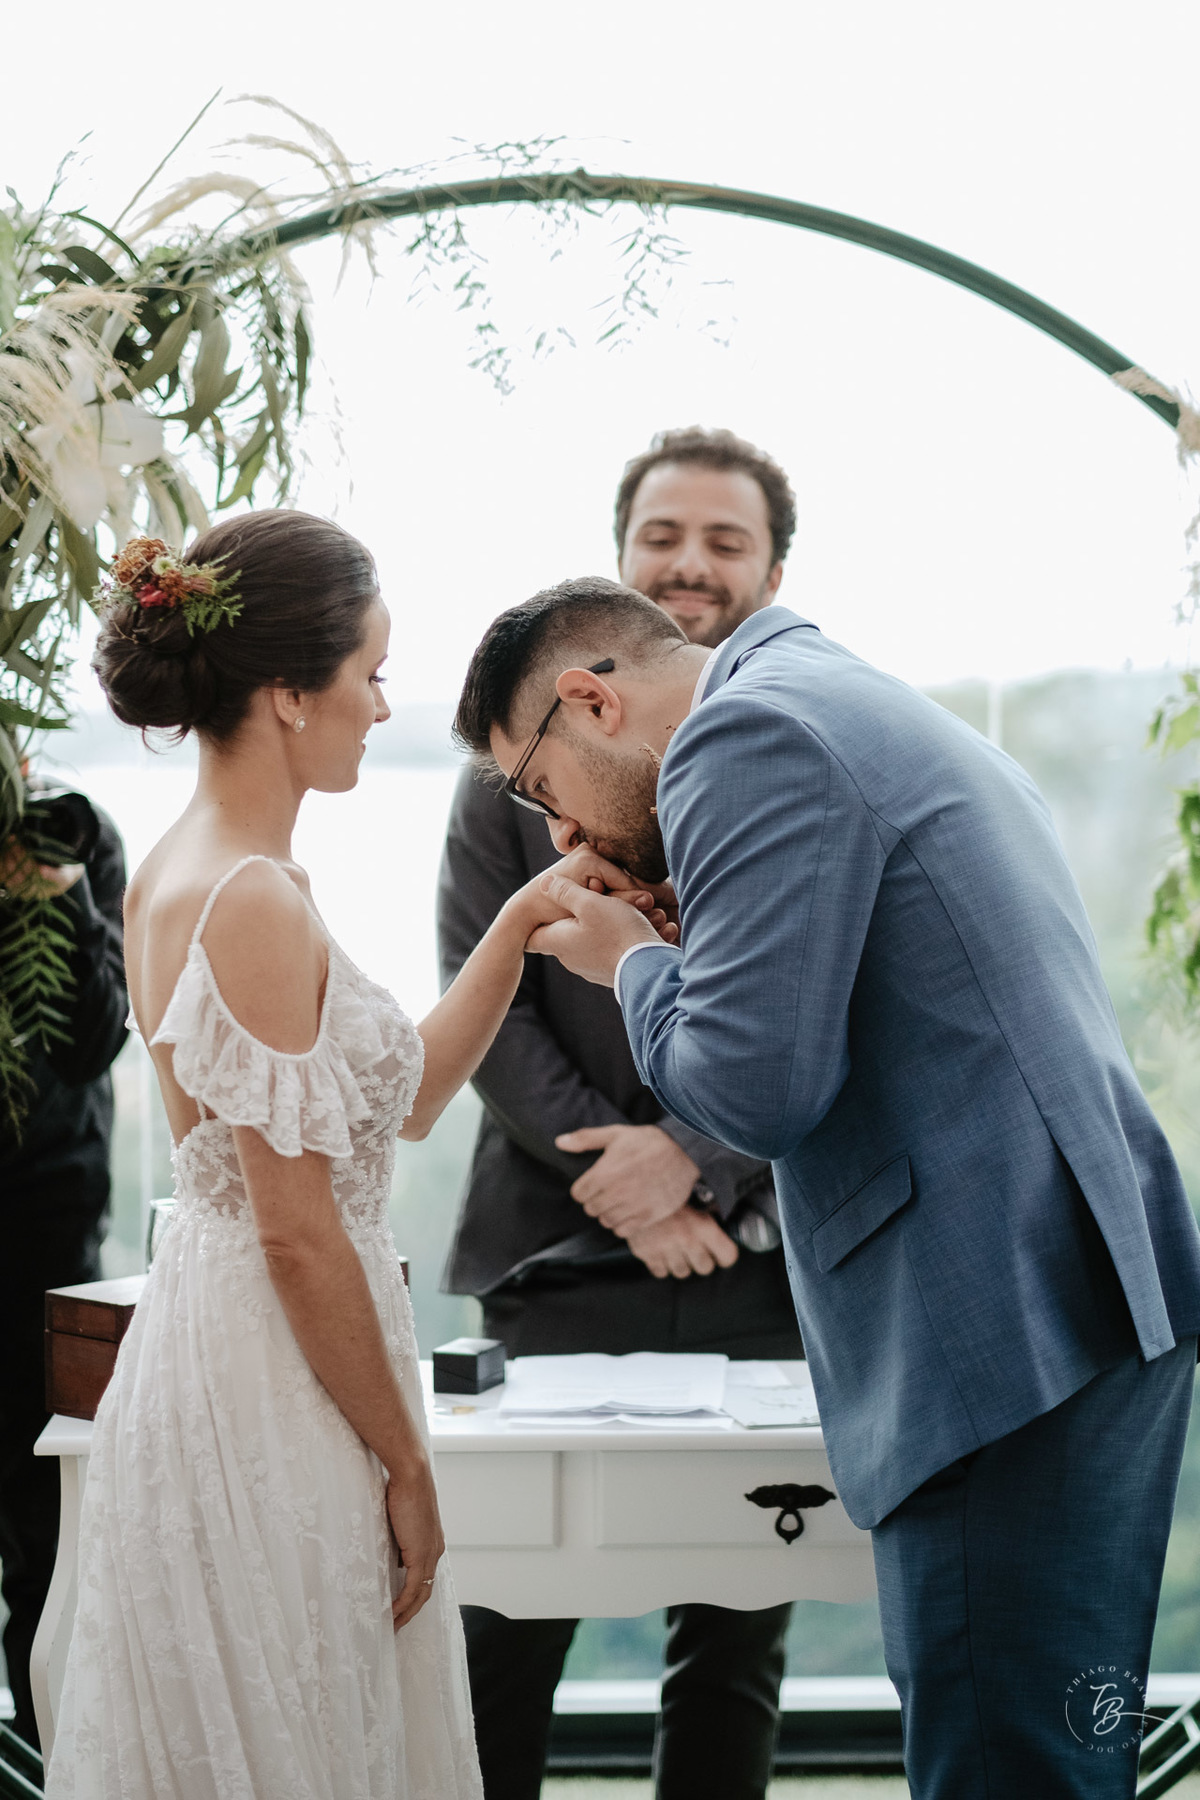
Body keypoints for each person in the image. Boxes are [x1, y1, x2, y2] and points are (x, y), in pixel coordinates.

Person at [453, 576, 1200, 1800]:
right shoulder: (833, 696)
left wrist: (632, 964)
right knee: (1065, 1750)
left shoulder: (737, 740)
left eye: (543, 792)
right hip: (1075, 1289)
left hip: (990, 1321)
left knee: (1003, 1767)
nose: (563, 842)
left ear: (590, 702)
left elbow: (754, 1095)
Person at [44, 514, 661, 1800]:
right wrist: (409, 1460)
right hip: (270, 1367)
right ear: (286, 694)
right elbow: (296, 1228)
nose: (384, 708)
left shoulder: (204, 867)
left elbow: (398, 1107)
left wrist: (521, 923)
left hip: (240, 1342)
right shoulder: (252, 899)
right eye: (370, 674)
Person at [439, 430, 802, 1800]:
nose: (692, 560)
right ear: (624, 557)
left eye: (724, 540)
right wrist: (625, 1178)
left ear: (774, 572)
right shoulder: (525, 761)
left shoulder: (794, 760)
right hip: (551, 1249)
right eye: (665, 534)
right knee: (504, 1618)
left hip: (754, 1258)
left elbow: (820, 1012)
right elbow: (489, 1007)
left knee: (733, 1639)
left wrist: (697, 1163)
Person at [0, 787, 127, 1752]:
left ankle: (52, 1773)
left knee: (48, 1558)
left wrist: (57, 887)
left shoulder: (75, 833)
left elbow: (91, 1041)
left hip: (46, 1251)